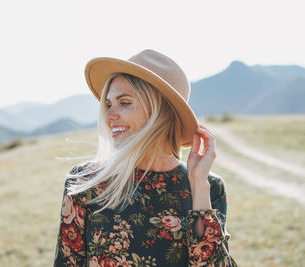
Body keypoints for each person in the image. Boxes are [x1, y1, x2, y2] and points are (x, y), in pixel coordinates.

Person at [53, 49, 237, 266]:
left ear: (160, 110)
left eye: (124, 102)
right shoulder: (86, 181)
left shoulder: (210, 187)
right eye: (109, 104)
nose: (109, 116)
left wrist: (199, 186)